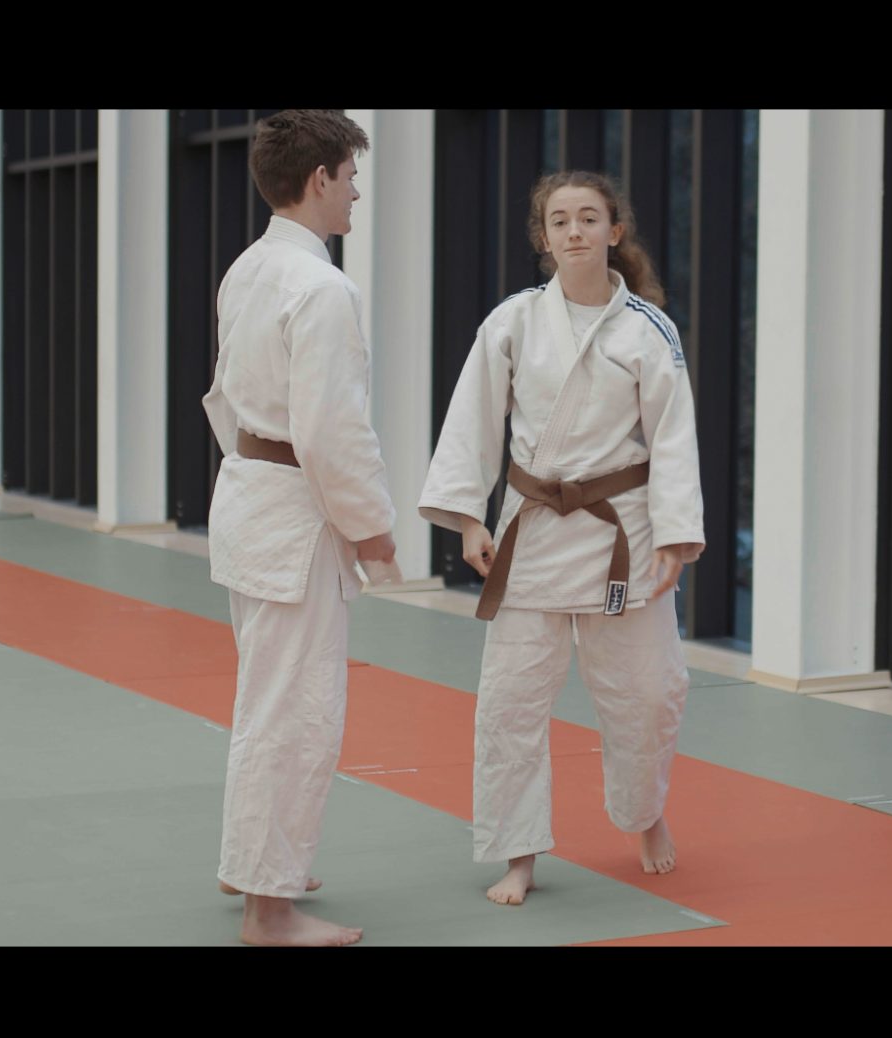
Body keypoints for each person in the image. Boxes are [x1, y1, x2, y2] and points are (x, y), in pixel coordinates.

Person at [418, 170, 705, 906]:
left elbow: (673, 438)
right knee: (510, 703)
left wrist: (676, 535)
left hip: (621, 534)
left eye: (588, 218)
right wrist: (469, 515)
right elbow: (473, 417)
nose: (574, 230)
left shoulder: (648, 329)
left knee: (649, 694)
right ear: (543, 238)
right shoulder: (512, 321)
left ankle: (644, 813)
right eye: (559, 220)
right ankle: (518, 852)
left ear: (615, 230)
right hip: (534, 531)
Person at [203, 109, 399, 946]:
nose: (356, 193)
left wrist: (260, 471)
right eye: (351, 178)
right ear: (320, 178)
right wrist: (373, 528)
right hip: (294, 508)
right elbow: (331, 431)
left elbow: (223, 398)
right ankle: (269, 908)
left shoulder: (248, 269)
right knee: (296, 711)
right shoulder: (321, 288)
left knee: (265, 698)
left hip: (250, 493)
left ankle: (253, 862)